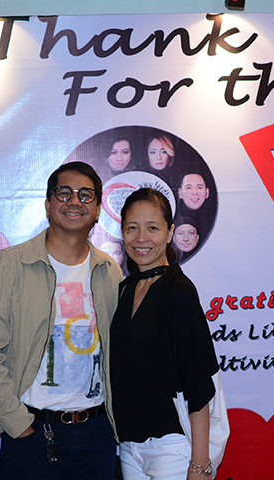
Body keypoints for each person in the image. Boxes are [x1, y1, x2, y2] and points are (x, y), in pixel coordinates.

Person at [0, 161, 123, 480]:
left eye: (86, 195)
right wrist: (18, 424)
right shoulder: (11, 265)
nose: (74, 201)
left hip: (98, 436)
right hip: (32, 434)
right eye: (64, 193)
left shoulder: (109, 271)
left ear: (97, 210)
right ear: (48, 204)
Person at [110, 188, 219, 479]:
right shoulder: (125, 290)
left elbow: (199, 383)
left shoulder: (179, 291)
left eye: (152, 228)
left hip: (172, 449)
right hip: (129, 447)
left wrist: (199, 464)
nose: (141, 238)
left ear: (170, 233)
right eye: (132, 228)